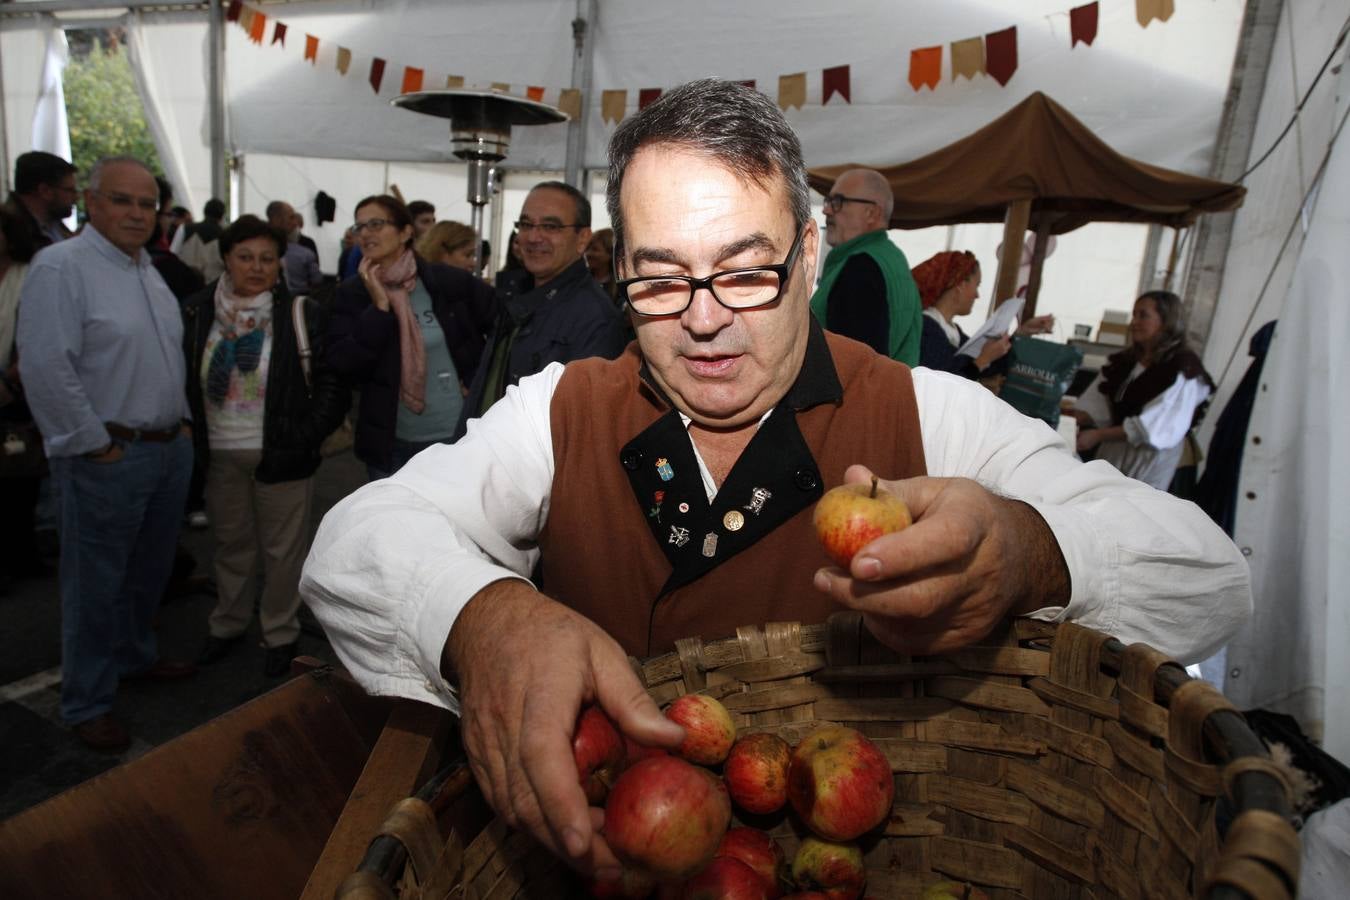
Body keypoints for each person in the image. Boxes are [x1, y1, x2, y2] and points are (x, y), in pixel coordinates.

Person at [301, 80, 1251, 879]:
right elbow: (354, 540)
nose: (704, 321)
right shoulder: (564, 410)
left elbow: (1208, 573)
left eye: (745, 271)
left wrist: (1033, 553)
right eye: (661, 278)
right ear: (620, 272)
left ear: (808, 254)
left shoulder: (929, 415)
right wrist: (482, 617)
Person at [17, 156, 196, 753]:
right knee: (94, 585)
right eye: (123, 201)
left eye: (147, 204)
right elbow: (44, 367)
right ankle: (86, 700)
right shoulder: (61, 268)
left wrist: (185, 428)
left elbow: (164, 358)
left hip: (166, 451)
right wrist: (93, 445)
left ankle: (132, 657)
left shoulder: (147, 270)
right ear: (90, 202)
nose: (137, 214)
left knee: (147, 574)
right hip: (110, 454)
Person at [184, 215, 349, 676]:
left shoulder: (300, 312)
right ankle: (229, 622)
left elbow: (334, 383)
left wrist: (305, 435)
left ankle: (279, 631)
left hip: (282, 454)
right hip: (218, 453)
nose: (256, 267)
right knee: (230, 544)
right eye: (245, 257)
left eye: (267, 258)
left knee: (283, 552)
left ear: (280, 264)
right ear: (226, 260)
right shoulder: (197, 311)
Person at [325, 194, 497, 479]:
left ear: (405, 232)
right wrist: (379, 309)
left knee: (454, 521)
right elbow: (344, 364)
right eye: (360, 227)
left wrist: (478, 378)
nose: (366, 233)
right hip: (391, 442)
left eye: (376, 224)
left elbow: (502, 328)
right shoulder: (352, 294)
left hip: (456, 435)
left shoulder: (448, 282)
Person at [457, 181, 626, 431]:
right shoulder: (515, 295)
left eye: (550, 226)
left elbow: (580, 428)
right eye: (526, 225)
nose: (534, 237)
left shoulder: (597, 320)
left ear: (582, 239)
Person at [1068, 290, 1215, 491]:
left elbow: (1153, 428)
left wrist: (1098, 435)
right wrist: (1070, 416)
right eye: (1134, 315)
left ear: (1166, 322)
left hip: (1150, 459)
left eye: (1143, 315)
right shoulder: (1126, 362)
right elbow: (1096, 405)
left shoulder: (1183, 369)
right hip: (1115, 450)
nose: (1134, 322)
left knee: (1133, 508)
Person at [809, 167, 922, 364]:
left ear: (871, 213)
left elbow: (854, 367)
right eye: (828, 201)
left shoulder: (860, 268)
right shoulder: (892, 257)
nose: (826, 210)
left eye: (838, 202)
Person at [913, 250, 1053, 379]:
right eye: (977, 285)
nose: (977, 295)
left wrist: (1022, 332)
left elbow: (995, 363)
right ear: (961, 285)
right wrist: (981, 361)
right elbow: (941, 384)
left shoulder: (953, 333)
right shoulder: (927, 329)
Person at [0, 205, 45, 593]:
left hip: (15, 390)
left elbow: (33, 333)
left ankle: (21, 555)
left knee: (19, 477)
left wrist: (11, 378)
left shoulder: (26, 276)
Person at [5, 150, 77, 248]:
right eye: (69, 190)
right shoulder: (8, 233)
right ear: (45, 191)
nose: (76, 197)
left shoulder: (53, 224)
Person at [266, 200, 321, 294]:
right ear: (276, 220)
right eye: (291, 218)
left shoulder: (307, 244)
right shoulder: (261, 246)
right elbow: (317, 280)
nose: (295, 223)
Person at [586, 227, 618, 301]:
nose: (588, 253)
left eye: (595, 249)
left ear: (610, 254)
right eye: (587, 248)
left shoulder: (619, 288)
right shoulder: (580, 280)